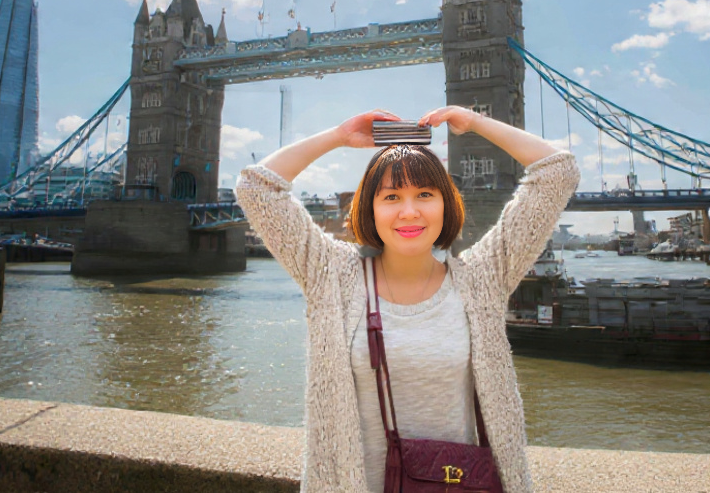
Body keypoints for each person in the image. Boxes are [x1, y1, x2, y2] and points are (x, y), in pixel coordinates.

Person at [235, 106, 579, 493]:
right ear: (370, 208)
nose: (409, 211)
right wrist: (339, 135)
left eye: (425, 194)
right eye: (392, 196)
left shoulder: (482, 280)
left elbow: (557, 171)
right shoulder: (332, 277)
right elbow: (256, 188)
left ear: (446, 204)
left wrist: (476, 123)